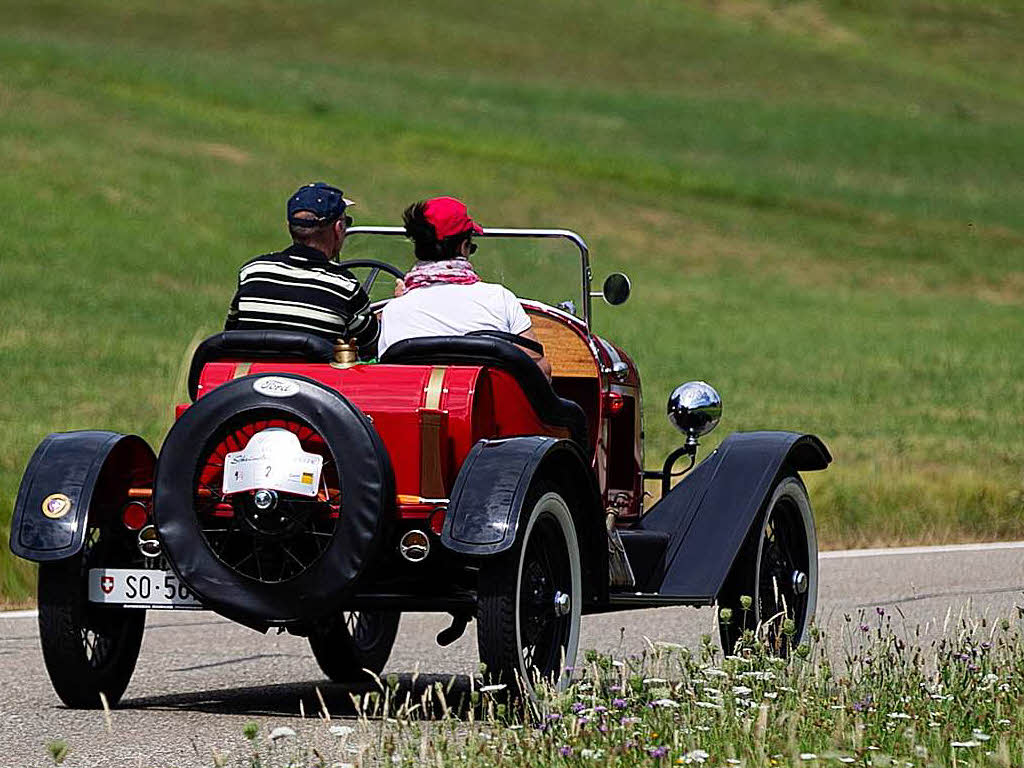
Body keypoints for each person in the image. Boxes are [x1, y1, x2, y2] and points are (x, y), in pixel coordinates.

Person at [378, 196, 551, 378]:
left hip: (417, 406)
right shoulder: (499, 299)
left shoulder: (394, 311)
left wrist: (402, 303)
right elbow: (541, 372)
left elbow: (389, 376)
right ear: (463, 247)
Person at [225, 182, 379, 357]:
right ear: (338, 229)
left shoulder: (252, 273)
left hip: (249, 381)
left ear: (290, 227)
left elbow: (232, 332)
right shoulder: (345, 287)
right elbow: (371, 346)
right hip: (314, 383)